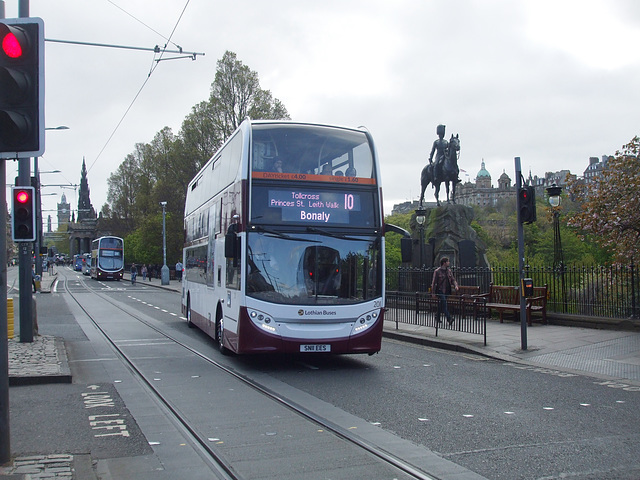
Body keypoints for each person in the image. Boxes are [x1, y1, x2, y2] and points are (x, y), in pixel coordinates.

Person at [430, 256, 459, 325]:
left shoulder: (449, 271)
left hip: (447, 290)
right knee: (444, 304)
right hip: (440, 290)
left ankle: (437, 316)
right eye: (448, 261)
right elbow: (433, 283)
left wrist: (456, 285)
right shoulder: (437, 271)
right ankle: (449, 318)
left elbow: (453, 279)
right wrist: (433, 293)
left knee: (441, 304)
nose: (449, 263)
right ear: (444, 263)